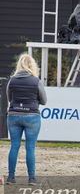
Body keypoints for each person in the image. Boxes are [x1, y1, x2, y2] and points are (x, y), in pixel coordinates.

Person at [6, 54, 47, 185]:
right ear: (32, 65)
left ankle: (11, 178)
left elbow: (9, 98)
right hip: (32, 116)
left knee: (14, 146)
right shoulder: (36, 81)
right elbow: (44, 100)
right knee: (30, 148)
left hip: (14, 116)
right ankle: (32, 178)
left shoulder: (12, 80)